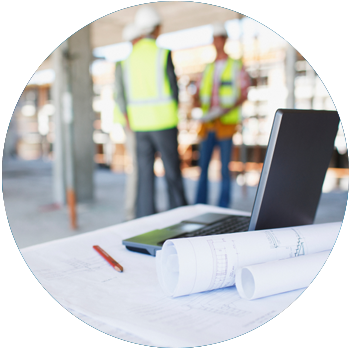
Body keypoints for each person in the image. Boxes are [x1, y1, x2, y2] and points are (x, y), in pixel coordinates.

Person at [116, 5, 187, 218]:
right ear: (156, 28)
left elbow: (123, 96)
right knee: (172, 173)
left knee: (145, 177)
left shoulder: (125, 60)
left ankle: (144, 219)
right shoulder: (162, 53)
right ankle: (180, 216)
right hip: (163, 123)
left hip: (140, 126)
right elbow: (174, 90)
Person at [194, 22, 250, 208]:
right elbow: (199, 93)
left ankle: (223, 207)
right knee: (203, 169)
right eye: (214, 39)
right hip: (207, 124)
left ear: (225, 40)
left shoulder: (235, 65)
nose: (217, 42)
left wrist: (227, 108)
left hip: (226, 124)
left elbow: (243, 93)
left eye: (220, 38)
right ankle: (200, 205)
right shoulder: (208, 68)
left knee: (225, 170)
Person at [114, 23, 142, 221]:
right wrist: (128, 121)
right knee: (137, 168)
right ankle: (130, 212)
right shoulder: (125, 64)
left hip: (143, 123)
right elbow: (121, 97)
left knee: (141, 168)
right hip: (133, 124)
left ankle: (137, 209)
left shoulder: (134, 63)